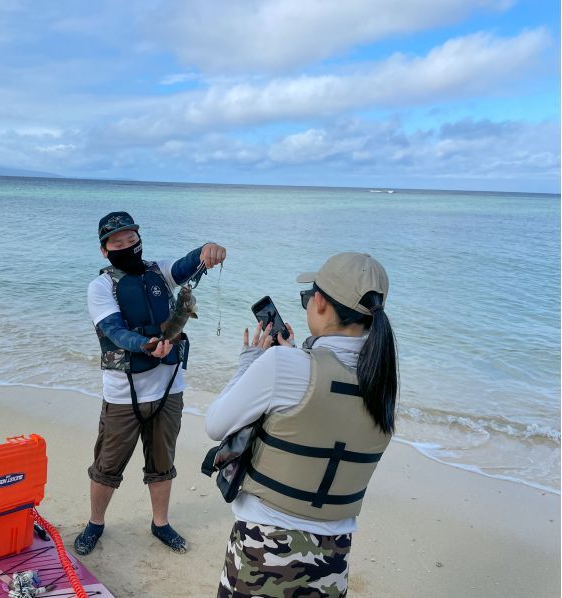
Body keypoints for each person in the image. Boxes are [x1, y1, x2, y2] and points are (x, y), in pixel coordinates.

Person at [205, 252, 398, 597]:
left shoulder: (283, 365)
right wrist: (298, 355)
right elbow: (327, 410)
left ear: (320, 303)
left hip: (264, 548)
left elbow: (216, 424)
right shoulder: (383, 383)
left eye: (308, 297)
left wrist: (250, 363)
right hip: (335, 556)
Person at [75, 211, 226, 556]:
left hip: (169, 388)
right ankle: (96, 522)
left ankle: (160, 523)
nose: (127, 246)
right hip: (122, 394)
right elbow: (114, 331)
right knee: (107, 465)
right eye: (117, 242)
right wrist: (147, 345)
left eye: (132, 240)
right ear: (104, 249)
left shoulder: (160, 272)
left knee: (162, 461)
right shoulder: (100, 287)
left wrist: (208, 249)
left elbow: (190, 264)